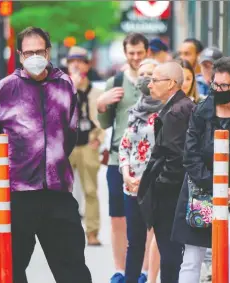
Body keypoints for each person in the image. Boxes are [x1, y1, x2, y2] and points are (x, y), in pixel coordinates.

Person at [0, 26, 92, 282]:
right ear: (20, 55)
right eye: (28, 52)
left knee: (73, 267)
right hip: (19, 195)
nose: (34, 57)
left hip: (58, 192)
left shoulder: (65, 86)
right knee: (13, 267)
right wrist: (13, 169)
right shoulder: (4, 90)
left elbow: (71, 133)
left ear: (48, 51)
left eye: (39, 51)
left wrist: (53, 161)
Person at [172, 56, 230, 283]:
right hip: (201, 191)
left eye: (224, 86)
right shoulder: (202, 112)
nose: (218, 90)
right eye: (215, 85)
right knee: (193, 256)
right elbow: (190, 155)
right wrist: (214, 186)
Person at [95, 32, 149, 283]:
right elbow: (105, 123)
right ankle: (120, 269)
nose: (136, 57)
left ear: (146, 52)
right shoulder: (115, 82)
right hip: (118, 159)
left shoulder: (155, 79)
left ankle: (144, 271)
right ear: (126, 53)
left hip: (149, 162)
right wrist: (101, 104)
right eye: (131, 53)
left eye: (140, 52)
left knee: (147, 219)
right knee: (118, 217)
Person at [137, 62, 195, 283]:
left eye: (154, 80)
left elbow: (175, 158)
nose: (149, 85)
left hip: (170, 198)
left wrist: (157, 188)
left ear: (171, 83)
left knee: (171, 260)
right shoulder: (179, 107)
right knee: (173, 259)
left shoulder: (177, 112)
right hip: (174, 194)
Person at [118, 59, 163, 283]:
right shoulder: (134, 111)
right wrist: (126, 174)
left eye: (151, 74)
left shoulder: (168, 110)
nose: (146, 78)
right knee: (134, 242)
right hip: (132, 185)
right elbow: (125, 146)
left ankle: (153, 279)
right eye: (142, 74)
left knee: (160, 239)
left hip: (158, 185)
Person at [67, 46, 105, 246]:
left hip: (87, 145)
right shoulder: (61, 89)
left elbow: (103, 118)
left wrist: (98, 137)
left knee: (90, 190)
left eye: (80, 60)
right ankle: (65, 232)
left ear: (87, 64)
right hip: (67, 146)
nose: (76, 64)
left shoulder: (96, 92)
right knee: (62, 193)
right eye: (72, 60)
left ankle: (92, 232)